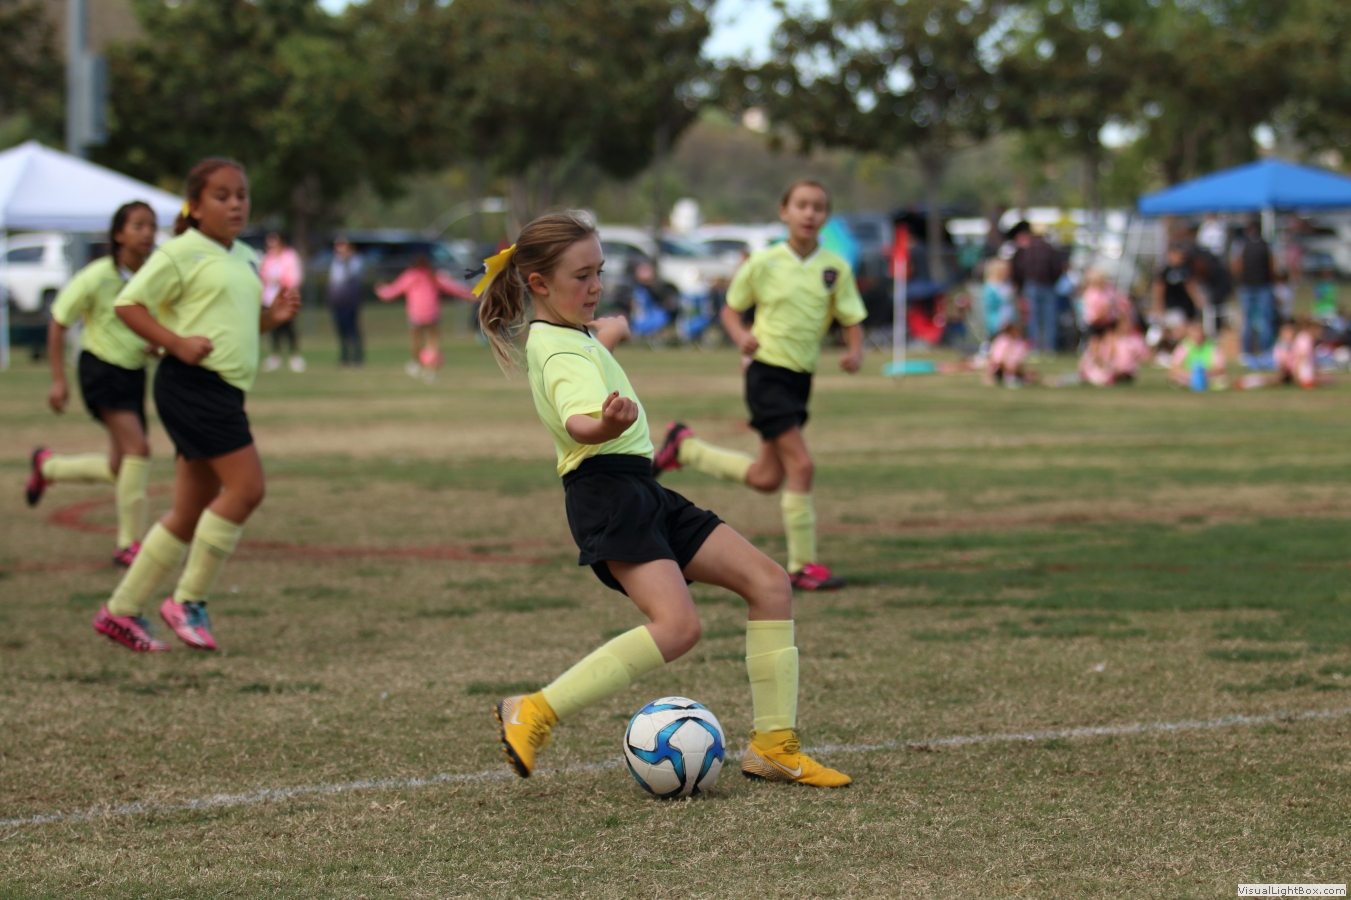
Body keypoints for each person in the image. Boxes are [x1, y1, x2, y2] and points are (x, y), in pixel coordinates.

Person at [474, 211, 851, 788]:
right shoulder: (558, 352)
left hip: (640, 488)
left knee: (770, 583)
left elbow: (585, 352)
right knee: (677, 627)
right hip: (608, 493)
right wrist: (604, 424)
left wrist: (610, 335)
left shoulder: (567, 335)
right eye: (582, 276)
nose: (596, 286)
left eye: (600, 271)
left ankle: (774, 747)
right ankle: (535, 710)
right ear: (539, 284)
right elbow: (576, 418)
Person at [92, 157, 300, 653]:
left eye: (241, 195)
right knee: (247, 489)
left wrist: (271, 319)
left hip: (222, 388)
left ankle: (121, 610)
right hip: (192, 385)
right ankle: (187, 600)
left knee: (188, 511)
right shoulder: (180, 251)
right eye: (221, 196)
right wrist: (175, 342)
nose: (235, 205)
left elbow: (235, 325)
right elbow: (128, 304)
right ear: (195, 205)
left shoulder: (245, 256)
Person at [651, 179, 866, 591]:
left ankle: (686, 449)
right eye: (801, 205)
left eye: (818, 207)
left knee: (768, 478)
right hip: (766, 374)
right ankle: (803, 566)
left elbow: (851, 317)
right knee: (802, 466)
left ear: (826, 216)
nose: (810, 213)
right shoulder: (764, 262)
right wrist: (740, 336)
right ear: (784, 212)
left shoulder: (835, 268)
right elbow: (731, 310)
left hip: (800, 379)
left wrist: (855, 352)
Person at [26, 201, 158, 567]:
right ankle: (128, 544)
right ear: (118, 235)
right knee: (138, 449)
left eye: (151, 226)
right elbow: (59, 322)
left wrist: (158, 344)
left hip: (134, 374)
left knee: (119, 467)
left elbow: (155, 325)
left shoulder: (153, 277)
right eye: (138, 226)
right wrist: (58, 380)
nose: (147, 233)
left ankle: (47, 468)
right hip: (100, 371)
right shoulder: (97, 275)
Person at [376, 254, 473, 382]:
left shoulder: (410, 275)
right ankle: (431, 372)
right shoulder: (434, 275)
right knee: (433, 342)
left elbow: (392, 291)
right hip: (432, 313)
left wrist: (380, 290)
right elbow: (453, 287)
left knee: (416, 341)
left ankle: (416, 364)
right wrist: (470, 294)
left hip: (416, 313)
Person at [1009, 221, 1064, 355]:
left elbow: (1019, 268)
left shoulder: (1026, 249)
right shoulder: (1050, 249)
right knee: (1049, 319)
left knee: (1032, 319)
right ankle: (1049, 347)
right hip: (1048, 286)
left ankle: (1035, 347)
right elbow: (1058, 268)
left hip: (1031, 285)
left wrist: (1021, 283)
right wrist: (1052, 281)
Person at [260, 232, 305, 373]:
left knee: (288, 328)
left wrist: (281, 281)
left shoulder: (290, 256)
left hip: (285, 298)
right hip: (269, 299)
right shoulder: (268, 258)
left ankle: (294, 356)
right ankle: (275, 356)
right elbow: (263, 275)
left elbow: (295, 278)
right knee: (273, 330)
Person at [1232, 222, 1275, 355]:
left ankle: (1246, 351)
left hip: (1248, 285)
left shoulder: (1241, 244)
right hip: (1262, 284)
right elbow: (1272, 264)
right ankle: (1264, 350)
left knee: (1248, 319)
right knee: (1264, 318)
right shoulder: (1266, 244)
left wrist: (1239, 280)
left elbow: (1236, 265)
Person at [1152, 244, 1207, 344]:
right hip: (1172, 308)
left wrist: (1198, 302)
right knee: (1176, 332)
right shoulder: (1165, 271)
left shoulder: (1186, 269)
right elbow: (1159, 289)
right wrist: (1159, 308)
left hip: (1186, 308)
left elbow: (1191, 286)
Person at [326, 237, 365, 367]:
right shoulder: (335, 262)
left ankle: (358, 357)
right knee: (340, 330)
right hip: (337, 301)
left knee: (352, 329)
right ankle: (344, 357)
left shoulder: (355, 261)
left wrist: (346, 260)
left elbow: (351, 275)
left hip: (350, 300)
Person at [1168, 320, 1227, 390]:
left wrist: (1204, 374)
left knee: (1221, 380)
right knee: (1175, 378)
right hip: (1187, 376)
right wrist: (1192, 376)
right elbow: (1174, 368)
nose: (1197, 337)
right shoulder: (1185, 346)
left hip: (1208, 376)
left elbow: (1220, 368)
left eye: (1199, 334)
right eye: (1195, 334)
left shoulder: (1212, 346)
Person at [987, 320, 1033, 387]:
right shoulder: (1002, 341)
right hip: (1000, 369)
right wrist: (1009, 368)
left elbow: (1020, 359)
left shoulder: (1020, 343)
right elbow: (996, 360)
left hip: (1014, 369)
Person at [980, 257, 1015, 343]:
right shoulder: (991, 286)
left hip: (1007, 317)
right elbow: (990, 303)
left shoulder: (1005, 284)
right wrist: (1005, 299)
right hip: (996, 319)